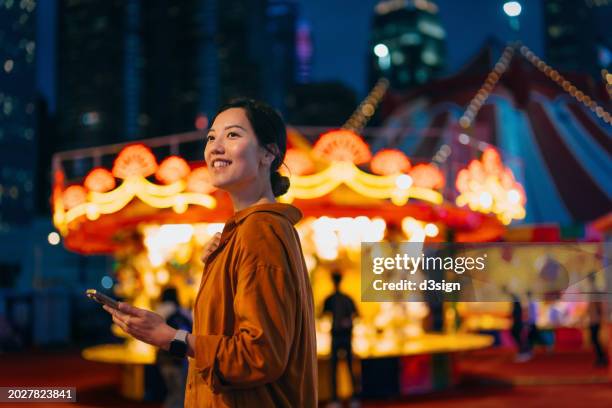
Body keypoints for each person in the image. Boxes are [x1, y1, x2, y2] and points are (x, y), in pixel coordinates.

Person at [103, 98, 318, 407]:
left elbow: (259, 355)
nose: (216, 146)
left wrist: (169, 337)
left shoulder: (260, 232)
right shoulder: (246, 232)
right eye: (211, 137)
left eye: (232, 135)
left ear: (268, 153)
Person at [322, 272, 359, 407]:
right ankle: (350, 398)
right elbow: (356, 314)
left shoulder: (332, 299)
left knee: (337, 368)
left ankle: (337, 399)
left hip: (339, 336)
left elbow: (323, 316)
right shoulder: (345, 299)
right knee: (344, 368)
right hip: (342, 336)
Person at [155, 287, 192, 408]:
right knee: (179, 393)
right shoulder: (183, 311)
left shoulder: (159, 310)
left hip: (163, 357)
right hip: (179, 358)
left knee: (171, 391)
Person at [587, 274, 608, 367]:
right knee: (594, 340)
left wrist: (601, 318)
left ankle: (602, 358)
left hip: (595, 320)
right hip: (593, 319)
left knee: (596, 340)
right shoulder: (593, 289)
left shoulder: (595, 290)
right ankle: (600, 358)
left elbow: (599, 305)